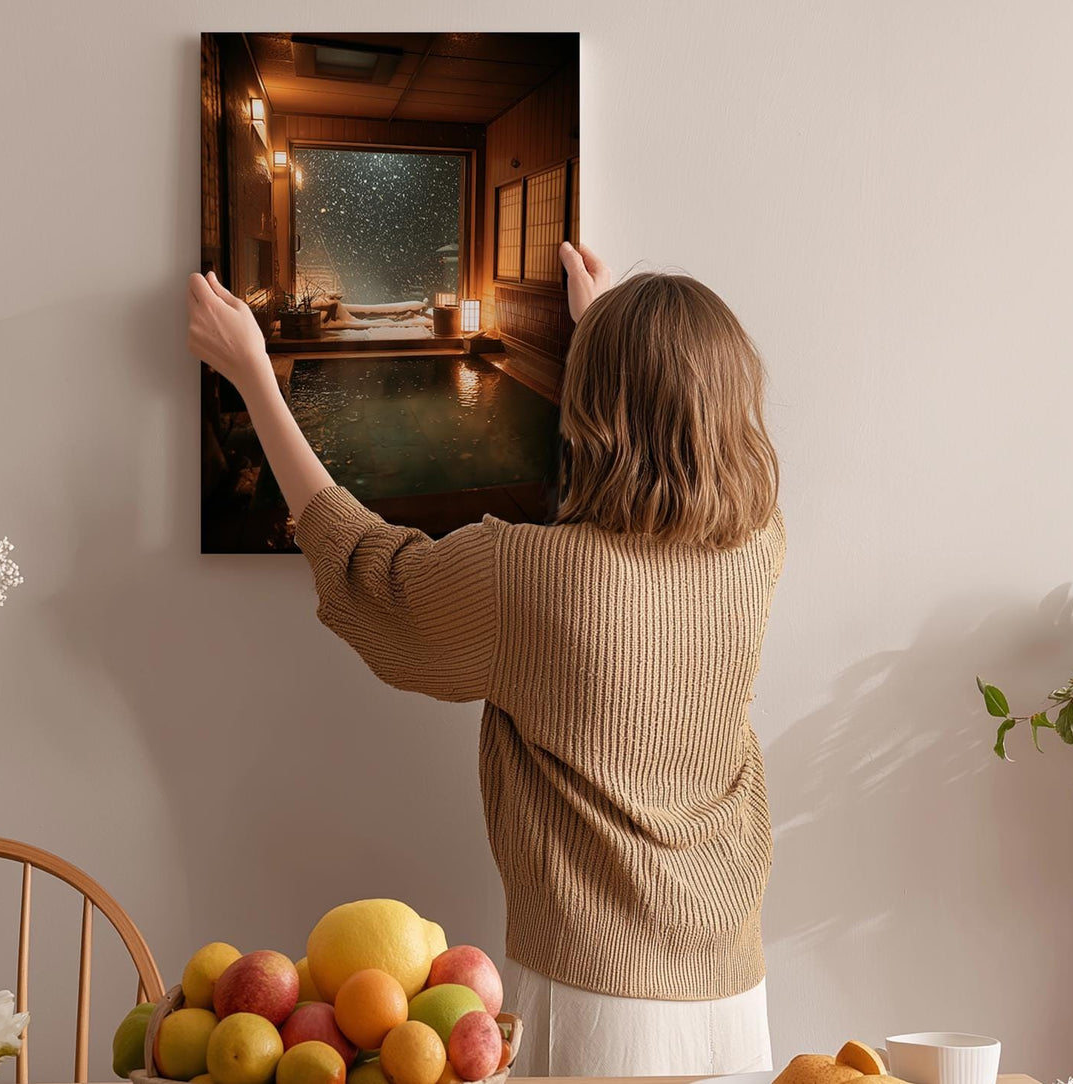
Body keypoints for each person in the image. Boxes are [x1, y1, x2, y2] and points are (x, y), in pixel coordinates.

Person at [187, 241, 784, 1076]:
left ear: (592, 403)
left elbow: (369, 569)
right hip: (733, 984)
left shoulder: (527, 576)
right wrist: (604, 327)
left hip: (594, 995)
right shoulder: (756, 548)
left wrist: (254, 373)